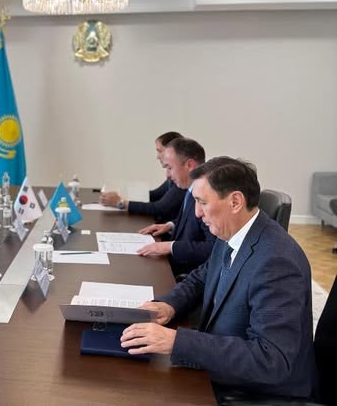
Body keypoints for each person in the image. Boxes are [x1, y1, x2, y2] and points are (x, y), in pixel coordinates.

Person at [121, 157, 317, 402]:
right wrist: (169, 304)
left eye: (203, 202)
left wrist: (177, 341)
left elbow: (271, 359)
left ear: (235, 201)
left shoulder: (277, 262)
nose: (197, 212)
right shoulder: (232, 232)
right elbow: (202, 276)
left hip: (256, 392)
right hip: (221, 365)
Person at [136, 138, 215, 275]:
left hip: (188, 273)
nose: (167, 175)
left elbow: (212, 248)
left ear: (189, 165)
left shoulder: (206, 196)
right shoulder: (190, 190)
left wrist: (170, 246)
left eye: (170, 168)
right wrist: (170, 225)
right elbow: (194, 222)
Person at [99, 131, 185, 223]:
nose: (157, 156)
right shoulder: (174, 175)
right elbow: (154, 195)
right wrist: (120, 196)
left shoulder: (181, 179)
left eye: (160, 151)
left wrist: (120, 203)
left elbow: (159, 208)